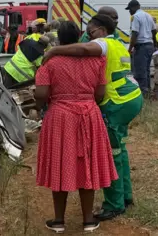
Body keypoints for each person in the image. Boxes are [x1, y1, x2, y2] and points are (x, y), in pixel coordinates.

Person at [44, 14, 143, 221]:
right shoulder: (119, 44)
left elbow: (83, 50)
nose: (89, 38)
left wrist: (54, 50)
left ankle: (114, 205)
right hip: (132, 97)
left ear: (103, 30)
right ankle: (126, 197)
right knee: (120, 149)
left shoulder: (104, 43)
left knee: (112, 153)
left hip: (116, 102)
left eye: (92, 32)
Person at [35, 21, 118, 233]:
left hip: (60, 116)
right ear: (80, 36)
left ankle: (59, 221)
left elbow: (42, 94)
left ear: (59, 39)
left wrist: (41, 103)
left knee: (60, 165)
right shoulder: (97, 60)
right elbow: (100, 93)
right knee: (87, 164)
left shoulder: (49, 63)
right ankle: (89, 220)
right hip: (89, 114)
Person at [126, 0, 157, 97]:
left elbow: (135, 33)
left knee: (140, 72)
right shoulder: (148, 16)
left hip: (141, 47)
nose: (129, 11)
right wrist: (155, 45)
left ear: (134, 7)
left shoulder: (135, 16)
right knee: (146, 71)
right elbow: (154, 31)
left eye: (130, 9)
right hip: (149, 46)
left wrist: (130, 48)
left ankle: (142, 95)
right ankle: (148, 93)